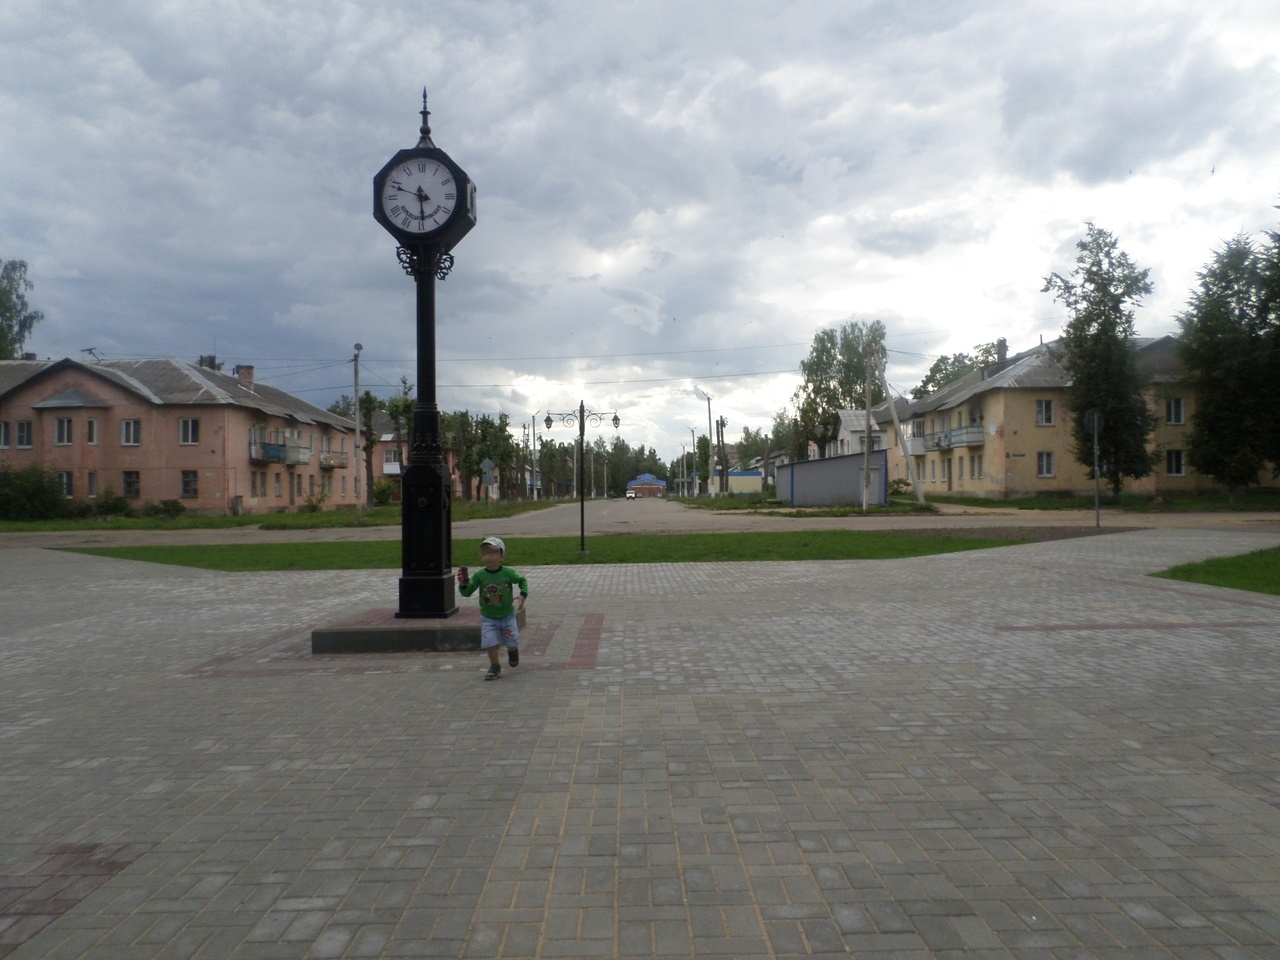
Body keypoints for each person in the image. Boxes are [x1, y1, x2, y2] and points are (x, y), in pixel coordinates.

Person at [457, 536, 529, 680]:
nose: (488, 556)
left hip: (507, 616)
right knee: (489, 641)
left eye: (492, 552)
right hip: (488, 617)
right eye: (485, 552)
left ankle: (512, 651)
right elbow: (467, 592)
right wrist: (463, 585)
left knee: (512, 641)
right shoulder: (479, 575)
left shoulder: (508, 573)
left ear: (501, 555)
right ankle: (495, 666)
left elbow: (522, 581)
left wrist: (522, 595)